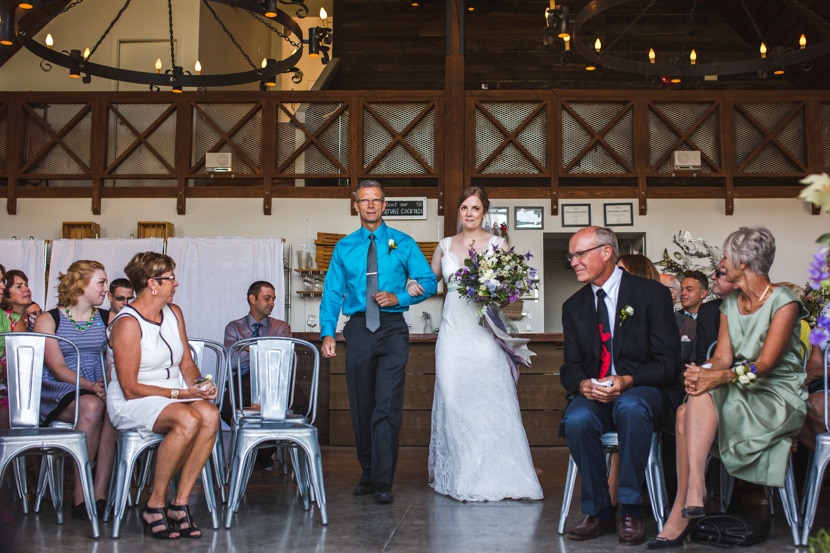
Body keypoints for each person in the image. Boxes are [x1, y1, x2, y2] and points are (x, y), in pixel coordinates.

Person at [649, 226, 807, 549]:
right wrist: (699, 371)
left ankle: (685, 507)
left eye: (725, 257)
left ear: (743, 263)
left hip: (776, 395)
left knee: (687, 409)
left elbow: (764, 366)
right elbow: (721, 358)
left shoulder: (784, 302)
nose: (721, 262)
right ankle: (693, 491)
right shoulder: (730, 303)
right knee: (690, 402)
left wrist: (716, 378)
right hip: (740, 387)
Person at [560, 226, 682, 545]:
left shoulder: (650, 295)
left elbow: (669, 363)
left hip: (643, 390)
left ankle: (629, 508)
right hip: (598, 395)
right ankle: (599, 511)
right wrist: (582, 384)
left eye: (579, 254)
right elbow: (569, 367)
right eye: (571, 256)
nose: (573, 261)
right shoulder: (573, 307)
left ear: (605, 252)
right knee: (576, 418)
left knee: (630, 406)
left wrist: (628, 380)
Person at [319, 179, 437, 505]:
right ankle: (368, 471)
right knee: (362, 406)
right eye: (364, 200)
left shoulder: (404, 243)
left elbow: (428, 281)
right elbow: (331, 293)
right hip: (357, 328)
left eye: (376, 200)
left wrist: (398, 295)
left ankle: (384, 479)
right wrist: (328, 332)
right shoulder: (344, 248)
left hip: (392, 329)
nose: (370, 206)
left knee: (386, 406)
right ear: (355, 205)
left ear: (384, 205)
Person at [426, 186, 542, 501]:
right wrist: (408, 284)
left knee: (489, 402)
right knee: (454, 400)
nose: (468, 213)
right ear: (458, 211)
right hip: (452, 335)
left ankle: (497, 475)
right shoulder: (444, 245)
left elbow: (515, 288)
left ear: (484, 212)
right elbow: (427, 282)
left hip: (484, 334)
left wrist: (495, 291)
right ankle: (462, 475)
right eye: (464, 207)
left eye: (475, 208)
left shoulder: (498, 244)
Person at [108, 252, 219, 539]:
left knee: (209, 414)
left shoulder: (174, 312)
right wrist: (183, 392)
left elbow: (186, 363)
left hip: (173, 393)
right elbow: (130, 387)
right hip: (134, 399)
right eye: (170, 278)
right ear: (152, 284)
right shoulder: (127, 323)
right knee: (187, 419)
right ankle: (154, 503)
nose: (176, 283)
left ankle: (179, 504)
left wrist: (201, 383)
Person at [33, 260, 115, 519]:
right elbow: (57, 368)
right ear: (81, 284)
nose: (106, 289)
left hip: (101, 385)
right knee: (92, 406)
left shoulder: (108, 318)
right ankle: (82, 496)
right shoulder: (49, 319)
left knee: (113, 410)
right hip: (62, 387)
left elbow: (115, 360)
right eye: (101, 282)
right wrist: (92, 386)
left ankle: (99, 494)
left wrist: (109, 386)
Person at [222, 280, 291, 469]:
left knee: (297, 404)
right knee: (227, 405)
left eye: (273, 299)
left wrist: (247, 348)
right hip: (243, 379)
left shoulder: (280, 327)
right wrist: (265, 350)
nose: (272, 303)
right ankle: (258, 451)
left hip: (273, 381)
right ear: (252, 299)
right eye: (267, 298)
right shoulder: (234, 327)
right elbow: (232, 359)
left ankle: (262, 451)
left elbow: (282, 359)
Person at [692, 258, 740, 365]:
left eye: (719, 273)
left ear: (737, 281)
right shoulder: (706, 310)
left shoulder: (760, 309)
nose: (712, 276)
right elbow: (701, 356)